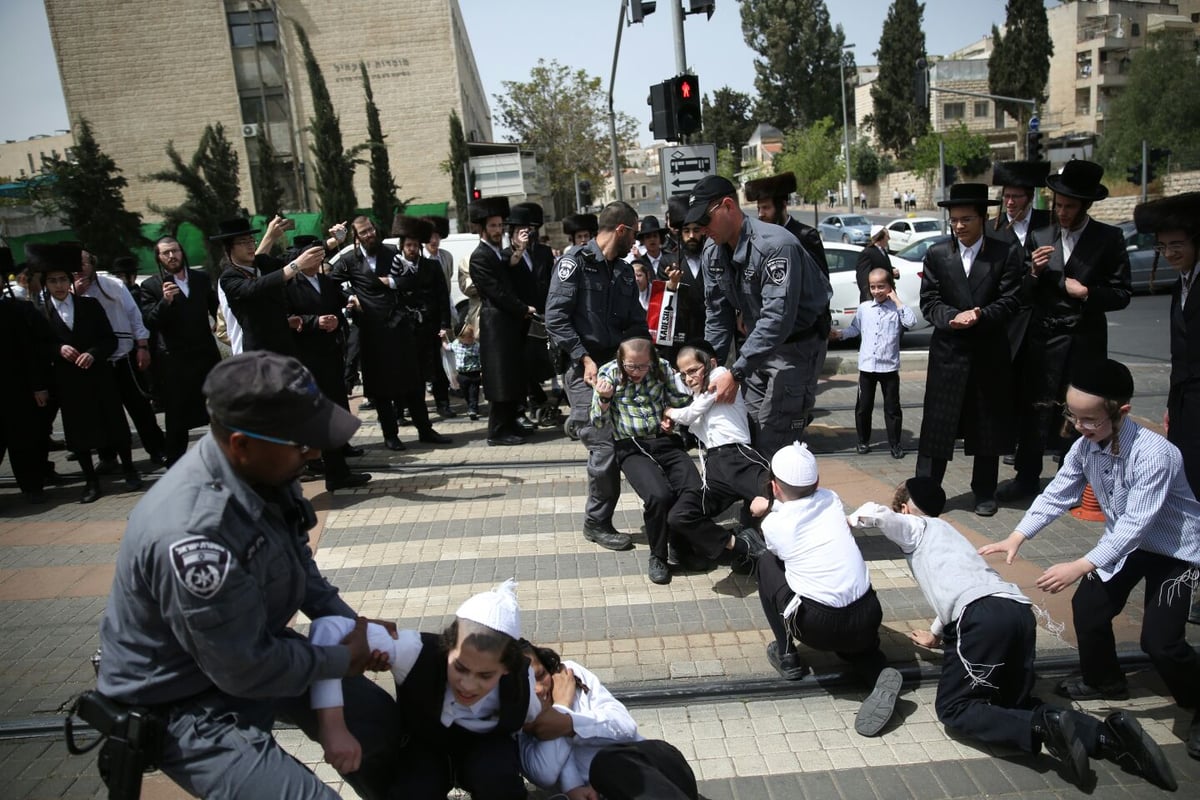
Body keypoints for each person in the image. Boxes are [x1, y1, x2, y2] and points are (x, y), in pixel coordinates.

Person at [94, 351, 404, 799]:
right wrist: (341, 659)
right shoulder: (193, 534)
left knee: (377, 725)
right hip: (184, 702)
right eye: (302, 444)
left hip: (255, 648)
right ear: (241, 444)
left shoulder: (267, 466)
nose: (314, 452)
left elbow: (301, 567)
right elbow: (244, 669)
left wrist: (355, 627)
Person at [849, 480, 1177, 791]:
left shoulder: (915, 527)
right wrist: (936, 634)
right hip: (1017, 612)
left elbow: (877, 514)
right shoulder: (950, 534)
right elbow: (959, 585)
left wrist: (848, 521)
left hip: (983, 619)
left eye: (900, 510)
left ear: (905, 509)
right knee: (1010, 704)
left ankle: (1041, 729)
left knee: (955, 708)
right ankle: (1108, 738)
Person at [978, 359, 1200, 759]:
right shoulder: (1085, 447)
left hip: (1174, 552)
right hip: (1126, 546)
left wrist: (1080, 565)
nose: (1080, 427)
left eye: (1091, 419)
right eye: (1073, 416)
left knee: (1161, 642)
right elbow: (1058, 494)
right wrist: (1017, 536)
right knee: (1089, 607)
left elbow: (1135, 524)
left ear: (1121, 412)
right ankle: (1105, 680)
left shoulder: (1156, 455)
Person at [312, 580, 541, 799]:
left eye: (485, 675)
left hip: (487, 754)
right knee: (414, 791)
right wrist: (333, 726)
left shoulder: (522, 681)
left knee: (497, 778)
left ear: (507, 668)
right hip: (425, 749)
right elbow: (327, 628)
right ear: (448, 645)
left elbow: (535, 716)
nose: (468, 685)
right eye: (460, 667)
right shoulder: (416, 651)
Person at [997, 161, 1132, 502]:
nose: (1062, 212)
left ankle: (1071, 483)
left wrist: (1086, 293)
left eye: (1069, 206)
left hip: (1083, 343)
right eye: (1058, 205)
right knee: (1035, 410)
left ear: (1085, 205)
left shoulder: (1109, 238)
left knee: (1079, 414)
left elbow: (1122, 294)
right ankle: (1026, 477)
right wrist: (1034, 273)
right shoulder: (1040, 236)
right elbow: (1022, 294)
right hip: (1042, 341)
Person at [755, 441, 903, 735]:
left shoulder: (774, 524)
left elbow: (780, 550)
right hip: (868, 612)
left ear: (773, 487)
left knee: (766, 563)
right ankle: (875, 668)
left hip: (819, 625)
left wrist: (766, 509)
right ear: (817, 481)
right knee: (855, 648)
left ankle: (786, 655)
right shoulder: (832, 499)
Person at [685, 175, 830, 458]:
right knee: (745, 434)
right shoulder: (713, 251)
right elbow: (717, 313)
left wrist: (736, 373)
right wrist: (707, 364)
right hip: (755, 350)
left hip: (795, 350)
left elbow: (777, 319)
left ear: (728, 206)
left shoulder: (775, 246)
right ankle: (758, 498)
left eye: (705, 220)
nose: (701, 230)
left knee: (774, 443)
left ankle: (780, 500)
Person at [916, 183, 1023, 516]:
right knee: (937, 426)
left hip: (988, 352)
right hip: (949, 353)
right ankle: (925, 491)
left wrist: (980, 314)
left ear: (983, 218)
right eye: (954, 220)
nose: (959, 226)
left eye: (966, 219)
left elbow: (1012, 299)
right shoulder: (937, 254)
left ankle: (985, 491)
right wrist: (952, 318)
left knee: (986, 425)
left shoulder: (1005, 253)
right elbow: (929, 301)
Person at [546, 201, 647, 552]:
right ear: (620, 229)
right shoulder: (573, 263)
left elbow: (636, 321)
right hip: (584, 370)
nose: (636, 242)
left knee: (630, 440)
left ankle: (578, 421)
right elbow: (556, 318)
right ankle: (597, 521)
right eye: (633, 233)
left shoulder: (621, 272)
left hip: (617, 369)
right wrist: (584, 357)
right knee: (604, 447)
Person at [30, 243, 141, 503]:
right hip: (68, 381)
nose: (58, 285)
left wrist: (93, 352)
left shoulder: (89, 305)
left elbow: (109, 339)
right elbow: (38, 347)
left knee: (114, 423)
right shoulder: (41, 313)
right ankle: (90, 481)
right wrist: (59, 349)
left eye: (62, 280)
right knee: (79, 432)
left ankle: (130, 469)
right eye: (53, 281)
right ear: (46, 284)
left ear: (70, 281)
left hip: (99, 374)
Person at [519, 642, 699, 800]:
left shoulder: (568, 675)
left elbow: (625, 726)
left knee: (607, 764)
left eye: (541, 674)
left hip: (650, 769)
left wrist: (569, 723)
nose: (540, 688)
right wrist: (561, 706)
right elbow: (545, 773)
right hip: (604, 794)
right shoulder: (516, 725)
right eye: (528, 685)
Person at [664, 341, 771, 569]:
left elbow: (688, 415)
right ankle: (742, 546)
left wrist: (669, 412)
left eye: (693, 370)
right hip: (714, 468)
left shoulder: (720, 375)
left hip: (738, 457)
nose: (688, 378)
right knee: (680, 515)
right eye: (683, 374)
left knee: (778, 500)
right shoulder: (697, 394)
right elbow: (671, 384)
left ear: (710, 363)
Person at [326, 216, 423, 452]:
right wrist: (350, 296)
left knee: (412, 379)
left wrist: (391, 282)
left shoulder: (391, 252)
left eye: (371, 229)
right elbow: (328, 281)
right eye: (364, 232)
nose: (369, 235)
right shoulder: (349, 260)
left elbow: (412, 279)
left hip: (398, 326)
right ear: (356, 237)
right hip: (371, 330)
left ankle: (425, 429)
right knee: (381, 387)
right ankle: (390, 435)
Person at [282, 236, 370, 492]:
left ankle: (337, 471)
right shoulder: (289, 286)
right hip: (306, 359)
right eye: (311, 254)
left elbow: (341, 301)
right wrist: (314, 322)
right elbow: (287, 318)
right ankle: (316, 470)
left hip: (331, 355)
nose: (317, 259)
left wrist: (349, 305)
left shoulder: (326, 281)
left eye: (319, 254)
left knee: (332, 412)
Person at [1135, 191, 1200, 499]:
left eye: (1177, 245)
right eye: (1163, 246)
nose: (1170, 253)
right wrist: (1173, 405)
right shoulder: (1181, 284)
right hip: (1185, 404)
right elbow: (1179, 354)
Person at [76, 248, 166, 467]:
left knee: (140, 407)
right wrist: (75, 295)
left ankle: (157, 449)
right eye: (75, 264)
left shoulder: (112, 285)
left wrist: (142, 345)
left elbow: (134, 315)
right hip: (94, 361)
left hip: (124, 355)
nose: (80, 268)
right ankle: (108, 457)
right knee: (103, 412)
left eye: (84, 263)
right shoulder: (65, 292)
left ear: (93, 263)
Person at [139, 236, 222, 465]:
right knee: (177, 416)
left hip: (204, 354)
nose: (171, 256)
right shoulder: (151, 286)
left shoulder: (200, 278)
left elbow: (216, 307)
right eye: (165, 253)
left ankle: (224, 457)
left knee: (216, 410)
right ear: (159, 258)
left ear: (181, 252)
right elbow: (150, 321)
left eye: (174, 251)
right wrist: (165, 301)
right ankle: (175, 463)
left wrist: (221, 323)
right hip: (174, 360)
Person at [469, 197, 539, 446]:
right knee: (500, 379)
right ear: (483, 228)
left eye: (500, 226)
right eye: (493, 226)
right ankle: (496, 432)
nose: (498, 230)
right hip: (496, 325)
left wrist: (519, 248)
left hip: (509, 325)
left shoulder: (496, 252)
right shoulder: (479, 256)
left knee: (511, 377)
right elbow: (496, 293)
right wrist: (522, 308)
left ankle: (510, 424)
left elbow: (510, 265)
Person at [832, 267, 916, 459]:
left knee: (892, 408)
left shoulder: (897, 309)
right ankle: (863, 440)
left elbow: (911, 323)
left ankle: (895, 444)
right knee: (863, 407)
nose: (877, 291)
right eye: (873, 287)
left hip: (889, 367)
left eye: (881, 286)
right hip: (868, 367)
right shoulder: (864, 308)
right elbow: (855, 329)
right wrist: (840, 334)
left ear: (890, 287)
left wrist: (897, 301)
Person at [217, 216, 322, 355]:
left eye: (251, 240)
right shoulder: (229, 278)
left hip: (283, 347)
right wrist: (297, 265)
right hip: (257, 353)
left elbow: (290, 257)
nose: (250, 246)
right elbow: (256, 286)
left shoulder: (262, 263)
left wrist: (330, 242)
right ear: (229, 248)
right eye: (243, 242)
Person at [390, 216, 454, 443]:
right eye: (408, 246)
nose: (412, 250)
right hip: (403, 332)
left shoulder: (432, 266)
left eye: (415, 246)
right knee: (407, 380)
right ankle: (402, 419)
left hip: (428, 330)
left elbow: (442, 297)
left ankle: (430, 422)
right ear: (402, 247)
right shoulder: (394, 266)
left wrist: (444, 324)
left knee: (431, 372)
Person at [0, 253, 55, 503]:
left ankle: (32, 487)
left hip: (17, 387)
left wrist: (38, 386)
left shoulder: (17, 310)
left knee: (23, 441)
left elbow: (29, 352)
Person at [504, 202, 555, 433]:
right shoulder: (508, 255)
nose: (526, 233)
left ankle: (541, 401)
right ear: (512, 232)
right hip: (519, 316)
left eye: (529, 229)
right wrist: (519, 249)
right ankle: (528, 405)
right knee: (521, 365)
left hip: (543, 314)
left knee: (541, 361)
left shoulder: (544, 252)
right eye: (520, 230)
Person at [452, 323, 482, 421]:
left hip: (474, 373)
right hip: (462, 375)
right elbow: (447, 347)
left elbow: (481, 358)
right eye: (468, 337)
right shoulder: (456, 344)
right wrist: (443, 338)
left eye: (471, 336)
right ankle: (471, 406)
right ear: (461, 338)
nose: (471, 338)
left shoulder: (476, 346)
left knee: (473, 392)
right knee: (465, 392)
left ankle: (472, 409)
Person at [855, 228, 893, 303]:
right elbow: (863, 279)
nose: (889, 238)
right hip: (875, 299)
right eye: (887, 236)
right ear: (880, 236)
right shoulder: (867, 253)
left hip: (885, 296)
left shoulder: (882, 250)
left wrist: (892, 271)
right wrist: (869, 300)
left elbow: (881, 267)